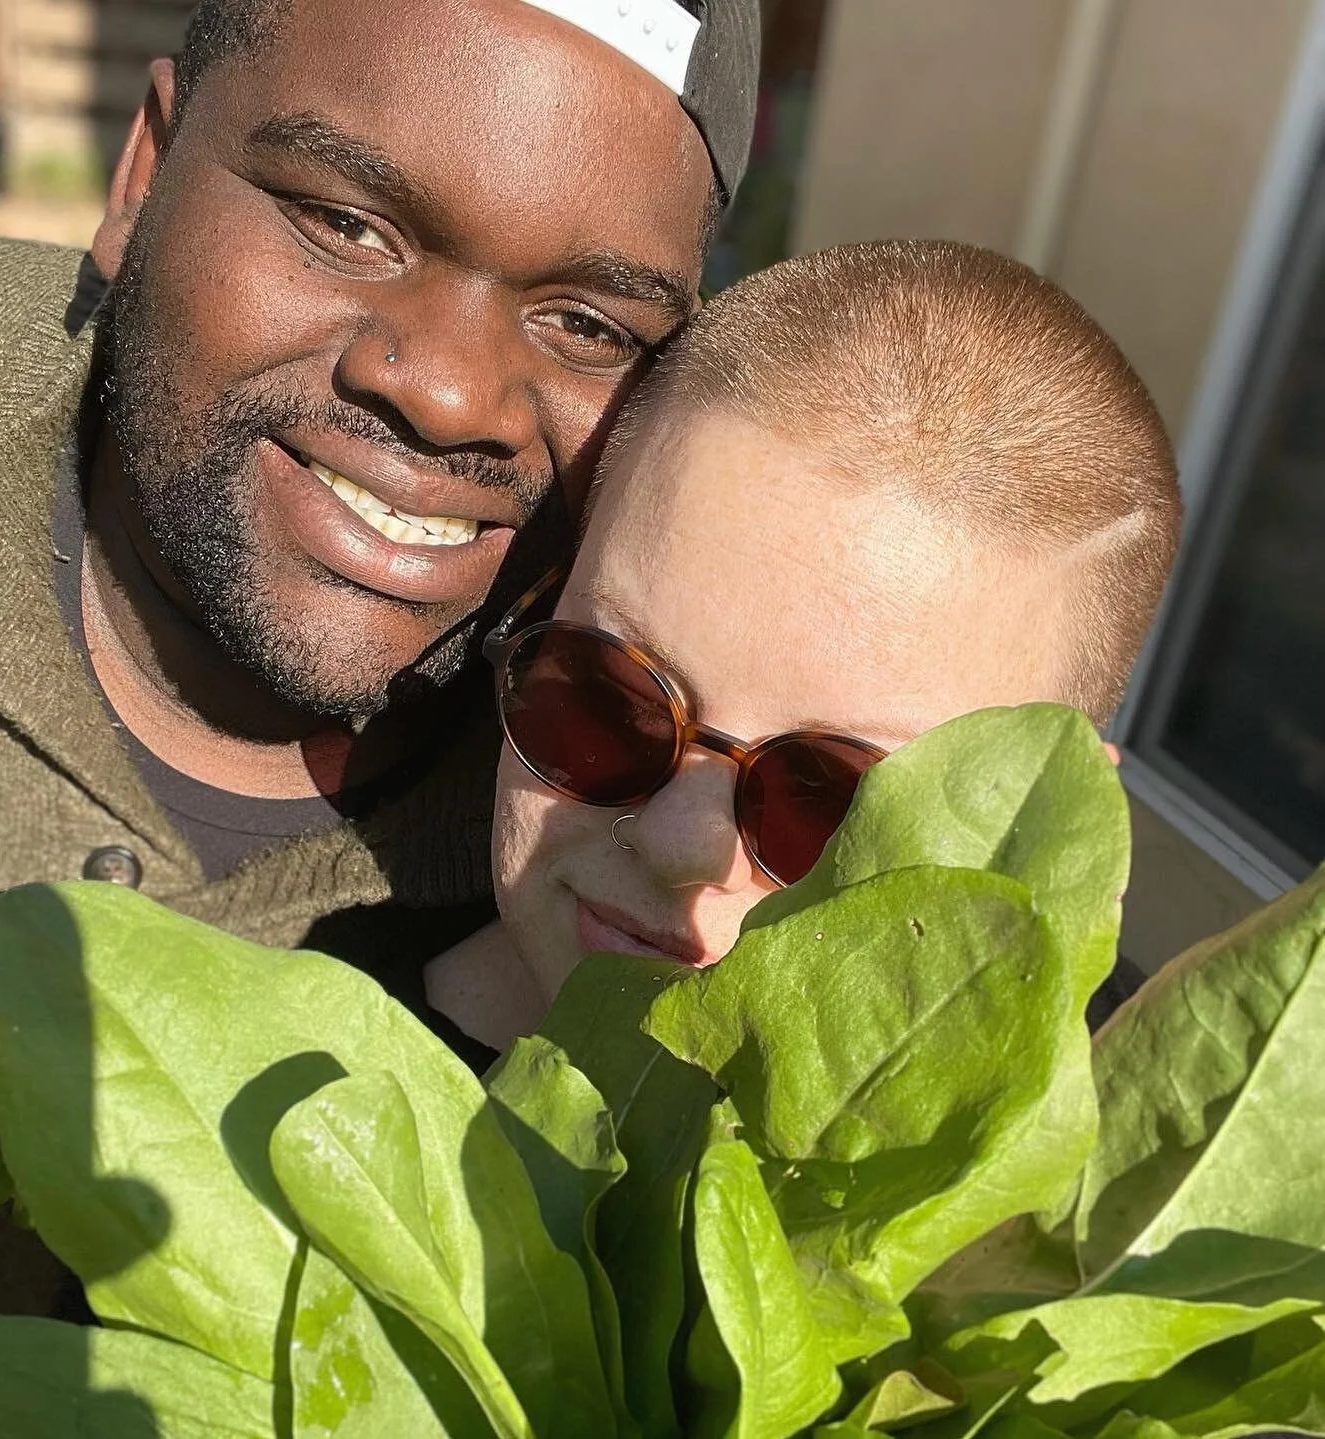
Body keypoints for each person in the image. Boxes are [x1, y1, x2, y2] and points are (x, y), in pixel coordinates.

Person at [0, 0, 760, 1314]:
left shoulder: (637, 823)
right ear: (142, 173)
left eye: (586, 324)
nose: (449, 390)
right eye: (347, 224)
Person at [424, 239, 1182, 1050]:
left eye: (832, 803)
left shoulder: (1150, 1159)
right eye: (608, 701)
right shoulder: (289, 1055)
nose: (680, 844)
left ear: (1056, 836)